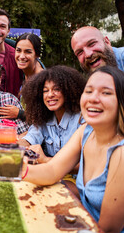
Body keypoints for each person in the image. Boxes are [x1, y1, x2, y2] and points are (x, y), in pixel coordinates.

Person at [22, 66, 124, 233]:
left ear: (123, 102)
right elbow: (52, 171)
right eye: (89, 91)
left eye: (106, 93)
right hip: (90, 228)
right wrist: (15, 169)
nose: (93, 99)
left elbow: (106, 232)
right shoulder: (86, 132)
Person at [71, 26, 124, 164]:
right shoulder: (97, 77)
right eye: (79, 52)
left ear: (107, 41)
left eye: (92, 44)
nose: (87, 54)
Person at [18, 66, 86, 196]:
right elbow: (28, 139)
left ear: (68, 91)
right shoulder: (44, 118)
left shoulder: (81, 120)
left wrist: (45, 160)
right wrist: (13, 146)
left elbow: (85, 167)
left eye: (56, 89)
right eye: (45, 91)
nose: (50, 95)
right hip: (52, 176)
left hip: (79, 184)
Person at [0, 32, 45, 120]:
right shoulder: (27, 69)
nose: (21, 56)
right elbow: (15, 44)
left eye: (28, 52)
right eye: (18, 50)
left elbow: (45, 116)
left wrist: (19, 113)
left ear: (37, 55)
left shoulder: (42, 81)